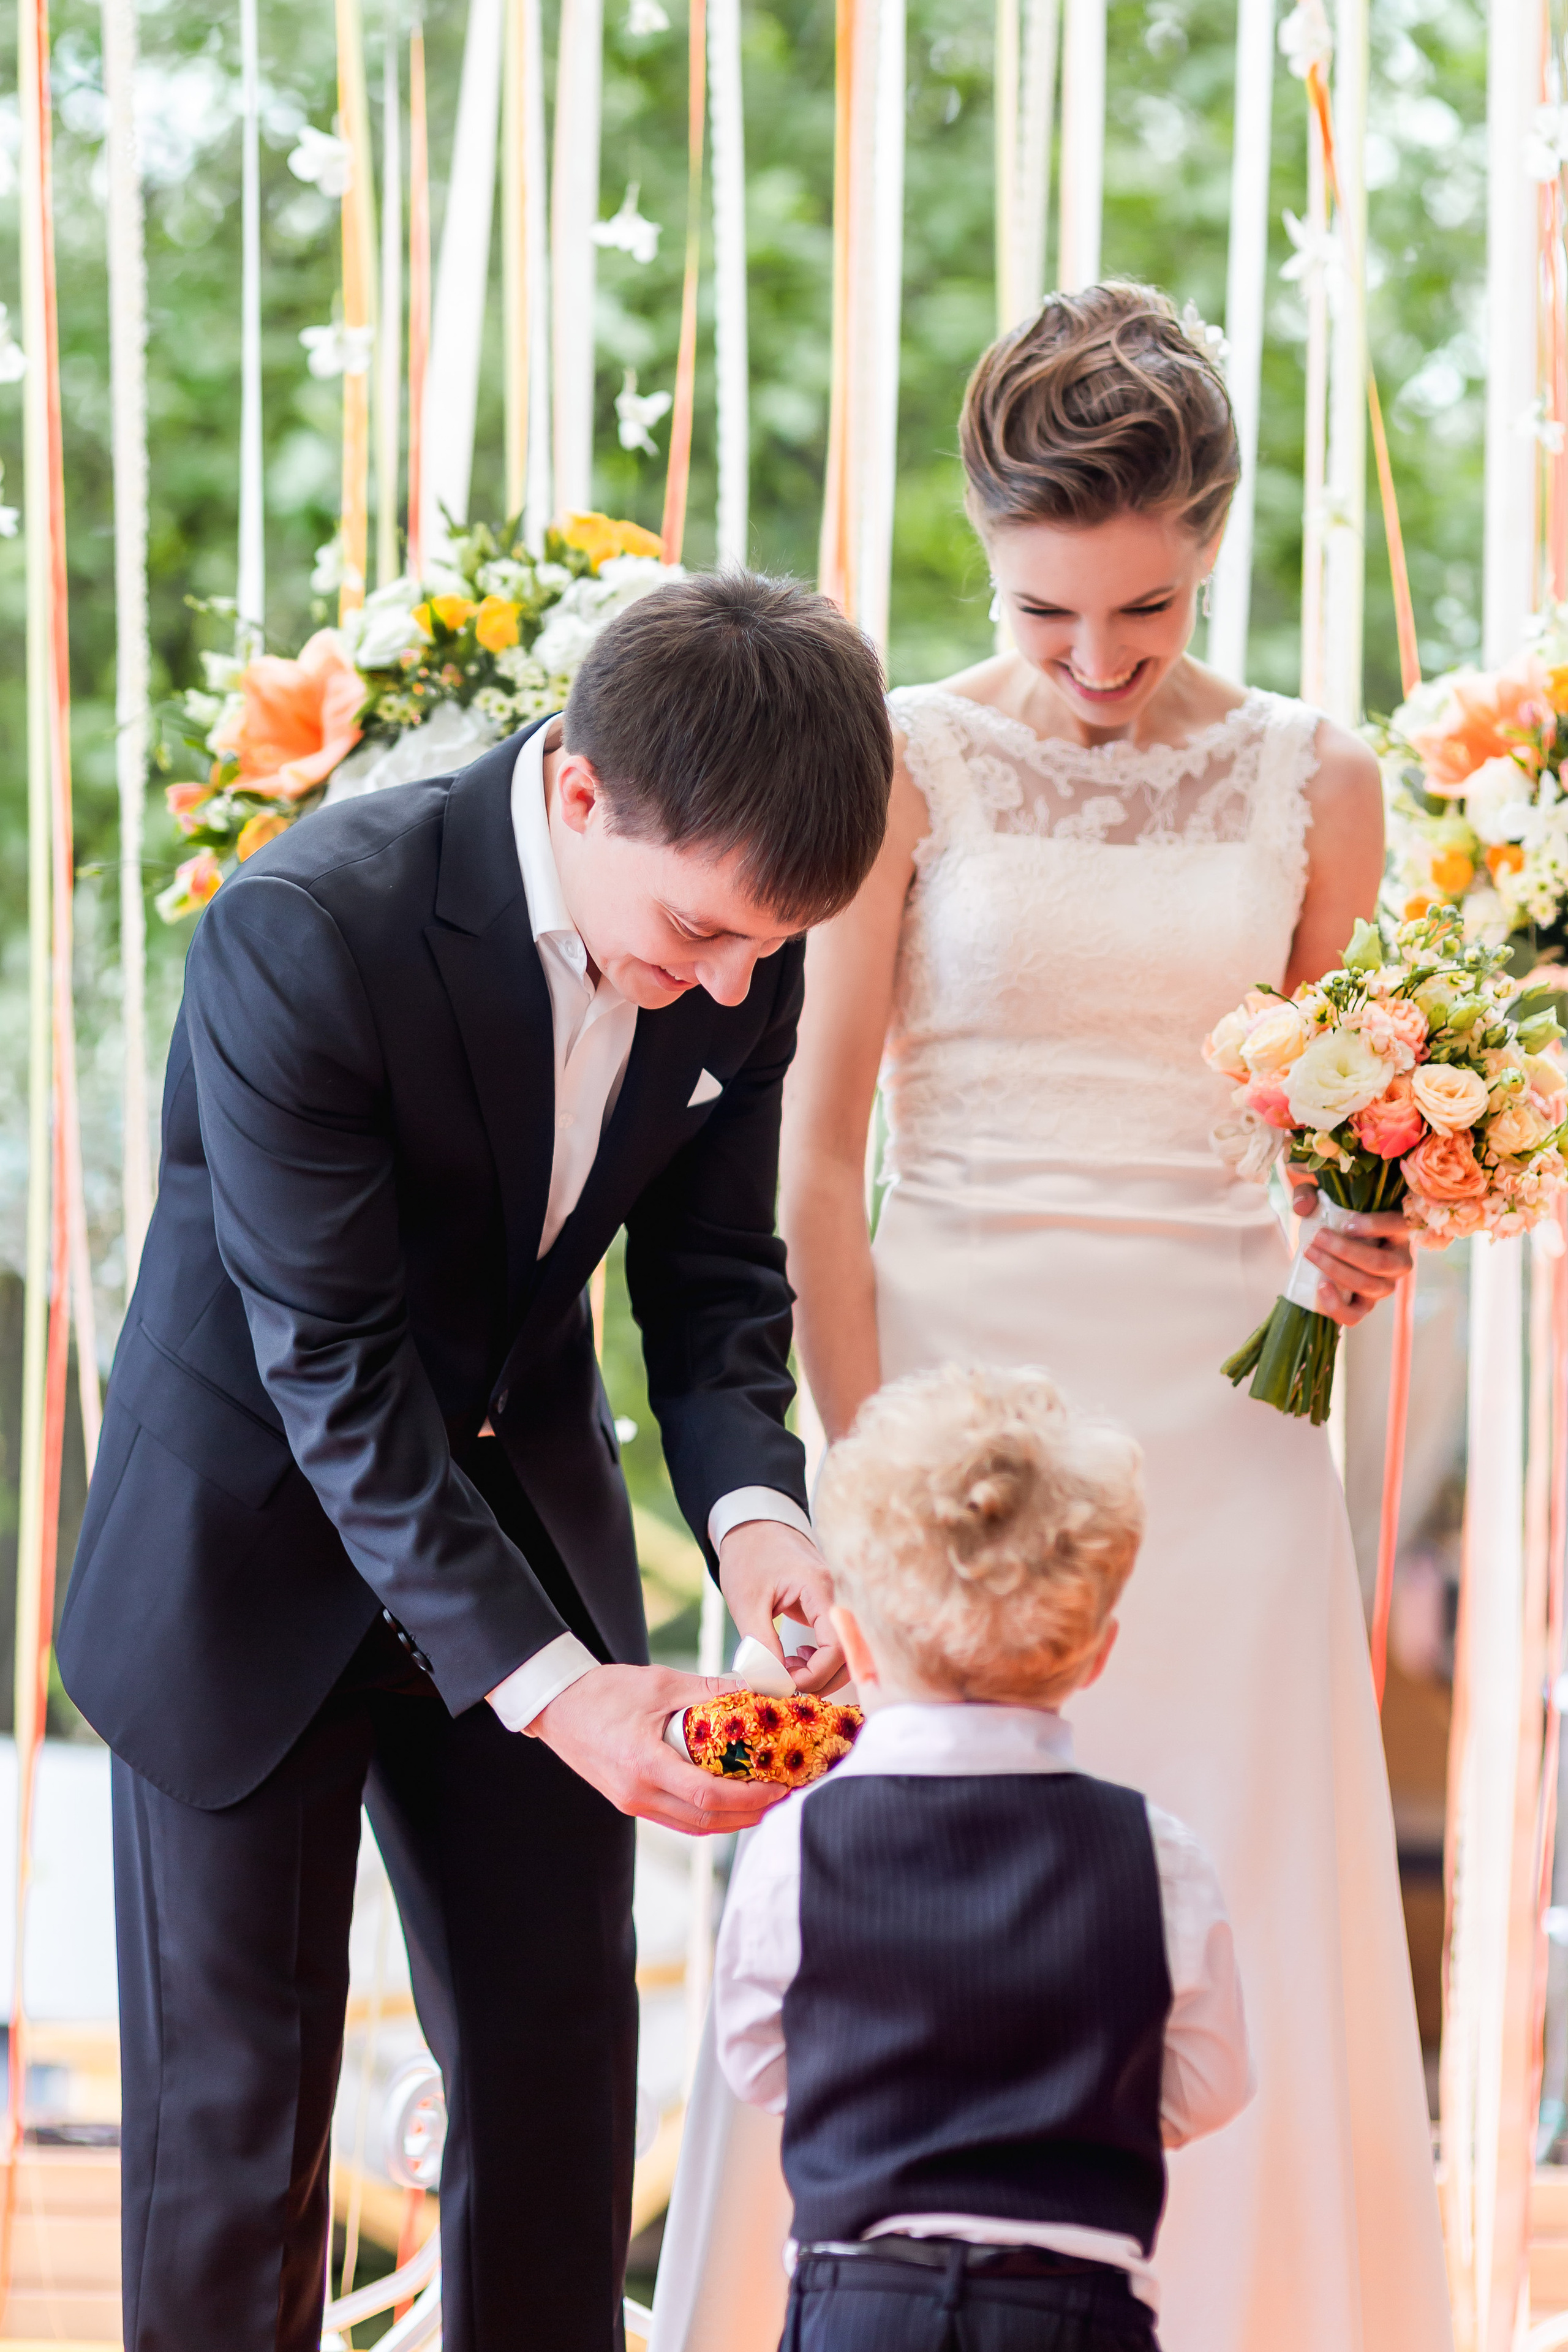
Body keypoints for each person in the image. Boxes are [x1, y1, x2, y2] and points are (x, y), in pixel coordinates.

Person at [654, 285, 1452, 2352]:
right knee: (898, 1879)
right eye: (1043, 617)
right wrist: (847, 1471)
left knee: (1237, 1879)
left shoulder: (1320, 780)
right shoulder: (902, 757)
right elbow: (815, 1159)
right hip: (947, 1383)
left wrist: (1356, 1239)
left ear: (1214, 547)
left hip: (1232, 1415)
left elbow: (1337, 1135)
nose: (1094, 670)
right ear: (982, 559)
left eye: (1148, 616)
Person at [55, 571, 893, 2352]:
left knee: (559, 2089)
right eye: (703, 936)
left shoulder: (742, 930)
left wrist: (757, 1521)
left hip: (526, 1508)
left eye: (766, 949)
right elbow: (339, 1379)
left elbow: (716, 1278)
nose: (735, 985)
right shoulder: (306, 928)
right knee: (233, 2141)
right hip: (246, 1555)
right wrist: (567, 1694)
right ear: (580, 790)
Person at [714, 1363, 1254, 2352]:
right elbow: (1212, 2079)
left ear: (857, 1647)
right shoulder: (1159, 1857)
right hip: (1077, 2308)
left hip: (858, 2303)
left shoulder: (802, 1839)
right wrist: (1088, 2111)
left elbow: (755, 2056)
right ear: (1097, 1652)